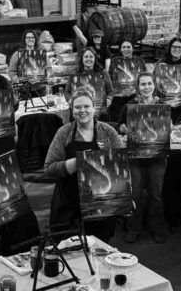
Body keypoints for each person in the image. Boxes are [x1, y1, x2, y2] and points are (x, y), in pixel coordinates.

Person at [44, 87, 124, 242]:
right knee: (70, 246)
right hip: (69, 201)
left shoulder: (108, 132)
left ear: (94, 108)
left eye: (86, 106)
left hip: (101, 202)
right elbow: (49, 168)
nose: (82, 111)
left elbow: (120, 166)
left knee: (100, 244)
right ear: (72, 109)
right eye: (78, 107)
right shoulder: (64, 132)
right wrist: (78, 162)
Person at [118, 72, 168, 244]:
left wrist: (169, 126)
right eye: (143, 84)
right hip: (135, 158)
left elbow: (169, 129)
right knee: (135, 194)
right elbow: (119, 125)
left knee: (156, 195)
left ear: (154, 86)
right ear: (138, 87)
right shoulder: (129, 106)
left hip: (157, 157)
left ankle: (157, 229)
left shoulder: (163, 106)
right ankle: (133, 229)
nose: (146, 87)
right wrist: (123, 128)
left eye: (149, 84)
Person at [154, 37, 181, 123]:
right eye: (174, 46)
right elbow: (155, 81)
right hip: (165, 103)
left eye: (179, 47)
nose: (177, 49)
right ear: (170, 48)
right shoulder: (161, 63)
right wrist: (164, 99)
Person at [64, 47, 114, 120]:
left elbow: (111, 91)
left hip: (100, 112)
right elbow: (67, 92)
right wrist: (70, 100)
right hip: (80, 113)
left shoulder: (103, 73)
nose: (88, 59)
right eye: (86, 57)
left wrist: (109, 99)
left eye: (91, 57)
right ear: (82, 59)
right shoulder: (75, 73)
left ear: (95, 59)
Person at [107, 40, 147, 123]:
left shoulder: (139, 61)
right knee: (116, 114)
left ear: (132, 49)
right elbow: (110, 78)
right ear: (121, 49)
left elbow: (145, 77)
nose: (126, 49)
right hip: (119, 95)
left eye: (128, 47)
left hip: (135, 95)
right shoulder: (115, 61)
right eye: (124, 47)